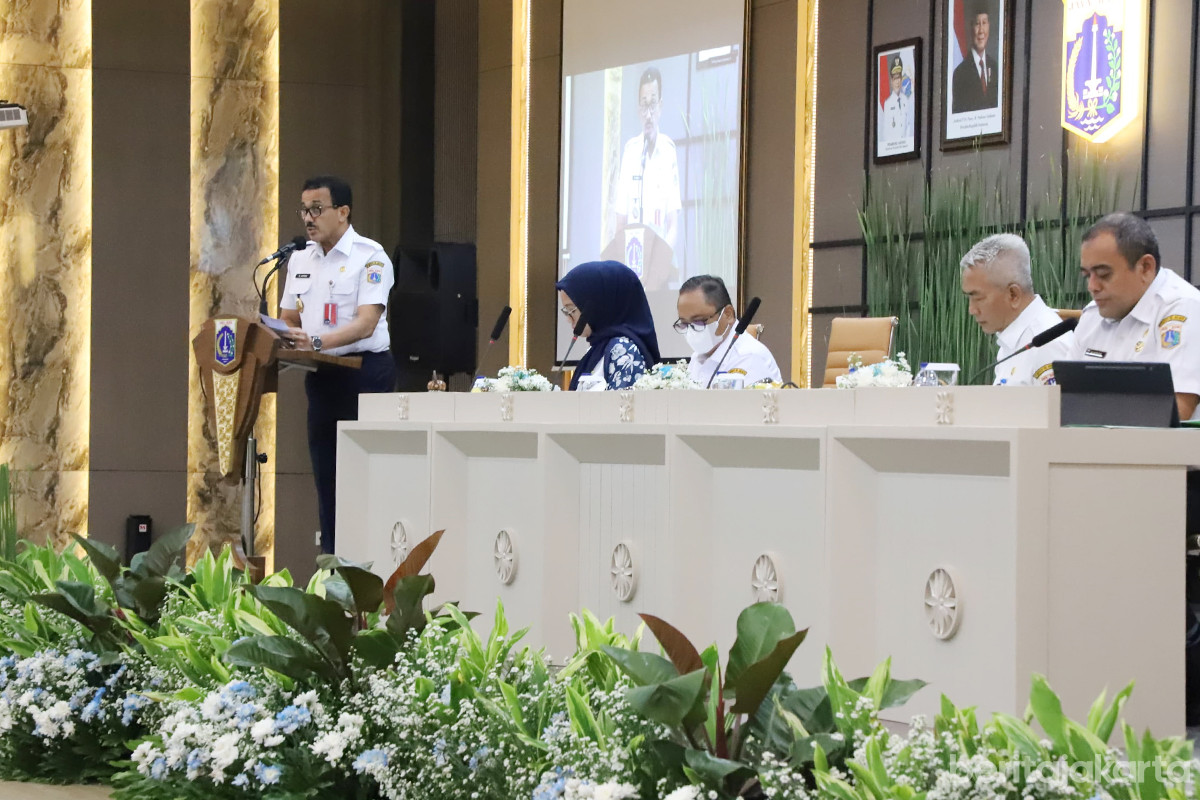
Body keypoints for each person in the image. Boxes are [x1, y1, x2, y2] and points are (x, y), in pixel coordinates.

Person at [280, 176, 396, 554]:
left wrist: (315, 341)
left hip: (365, 376)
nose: (308, 218)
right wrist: (280, 334)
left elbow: (365, 323)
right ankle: (332, 568)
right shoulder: (299, 258)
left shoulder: (371, 257)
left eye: (317, 209)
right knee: (327, 479)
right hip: (322, 377)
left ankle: (370, 567)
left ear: (342, 212)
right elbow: (288, 319)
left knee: (364, 478)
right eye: (304, 210)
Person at [1072, 212, 1200, 420]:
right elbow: (1065, 401)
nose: (1092, 287)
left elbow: (1177, 411)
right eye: (1087, 275)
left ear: (1145, 267)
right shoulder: (1092, 315)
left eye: (1103, 274)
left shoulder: (1183, 308)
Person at [960, 234, 1075, 386]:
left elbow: (1060, 409)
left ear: (1013, 294)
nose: (972, 310)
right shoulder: (1014, 338)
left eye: (978, 298)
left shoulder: (1046, 345)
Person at [611, 66, 682, 284]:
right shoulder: (630, 152)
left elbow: (673, 224)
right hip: (633, 270)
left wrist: (660, 264)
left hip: (660, 272)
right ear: (638, 108)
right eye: (644, 104)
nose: (648, 113)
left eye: (652, 103)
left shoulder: (668, 151)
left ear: (660, 106)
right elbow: (620, 222)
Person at [557, 260, 660, 390]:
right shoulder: (598, 348)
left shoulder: (623, 349)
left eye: (571, 310)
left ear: (597, 306)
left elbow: (621, 407)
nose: (568, 318)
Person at [676, 275, 781, 387]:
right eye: (684, 324)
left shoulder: (749, 356)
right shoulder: (698, 356)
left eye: (699, 321)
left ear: (728, 314)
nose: (692, 331)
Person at [951, 4, 1000, 113]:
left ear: (989, 25)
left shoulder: (996, 68)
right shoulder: (960, 73)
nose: (981, 30)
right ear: (971, 27)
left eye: (984, 23)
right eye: (977, 24)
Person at [880, 55, 913, 143]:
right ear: (891, 81)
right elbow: (886, 132)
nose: (897, 82)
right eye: (895, 79)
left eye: (899, 78)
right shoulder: (888, 103)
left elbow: (909, 125)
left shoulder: (906, 100)